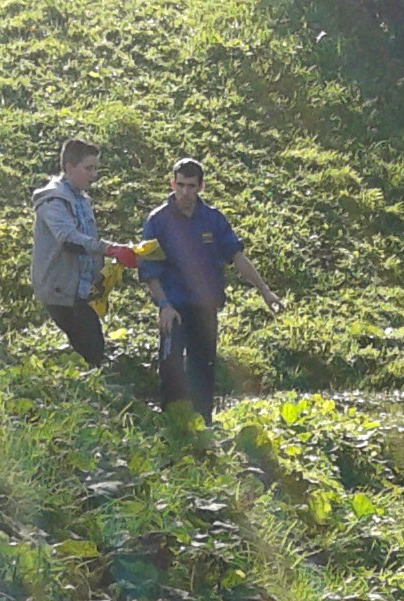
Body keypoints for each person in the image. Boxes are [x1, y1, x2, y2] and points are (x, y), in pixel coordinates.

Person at [138, 156, 281, 420]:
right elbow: (148, 270)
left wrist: (265, 291)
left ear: (201, 187)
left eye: (191, 186)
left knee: (203, 370)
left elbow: (237, 256)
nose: (185, 192)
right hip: (173, 306)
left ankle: (204, 426)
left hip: (205, 307)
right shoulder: (158, 220)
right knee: (170, 368)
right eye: (180, 185)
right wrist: (164, 305)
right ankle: (172, 426)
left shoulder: (213, 220)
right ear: (172, 183)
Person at [30, 138, 135, 366]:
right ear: (69, 168)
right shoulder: (53, 200)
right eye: (88, 168)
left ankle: (85, 390)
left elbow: (88, 242)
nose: (93, 174)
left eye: (96, 168)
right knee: (90, 348)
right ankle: (85, 391)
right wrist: (110, 249)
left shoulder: (82, 200)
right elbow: (68, 239)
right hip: (60, 288)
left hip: (80, 288)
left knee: (91, 347)